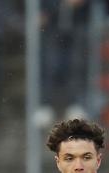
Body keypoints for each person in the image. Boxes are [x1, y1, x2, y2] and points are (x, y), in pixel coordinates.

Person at [35, 0, 94, 128]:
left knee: (77, 64)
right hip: (52, 23)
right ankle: (45, 105)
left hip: (79, 20)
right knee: (51, 65)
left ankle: (76, 105)